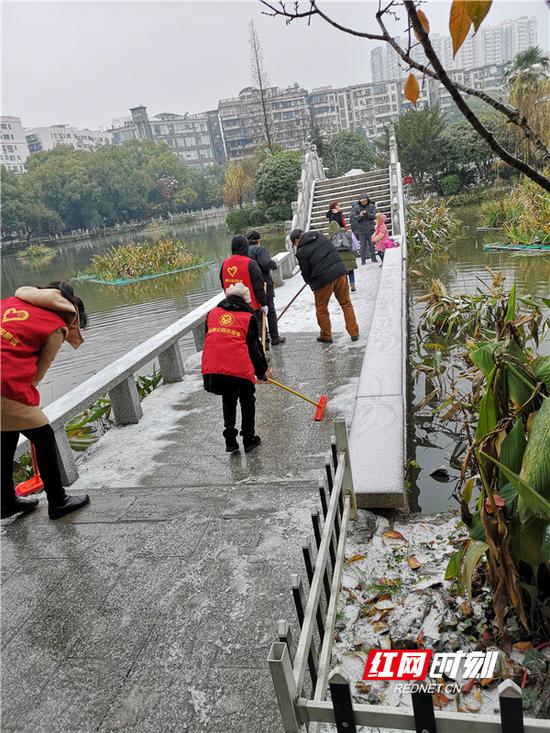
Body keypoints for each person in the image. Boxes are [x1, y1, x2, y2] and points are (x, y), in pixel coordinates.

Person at [1, 281, 90, 520]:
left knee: (5, 435)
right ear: (72, 314)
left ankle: (6, 501)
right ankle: (58, 501)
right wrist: (27, 395)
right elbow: (40, 369)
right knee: (44, 437)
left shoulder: (12, 302)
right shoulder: (56, 326)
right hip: (4, 384)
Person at [202, 282, 271, 453]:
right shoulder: (247, 318)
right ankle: (248, 439)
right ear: (245, 301)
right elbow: (254, 349)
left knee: (228, 398)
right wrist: (262, 372)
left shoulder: (212, 314)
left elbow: (212, 340)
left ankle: (230, 440)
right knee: (247, 400)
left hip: (214, 366)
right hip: (237, 366)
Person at [289, 229, 359, 344]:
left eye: (294, 244)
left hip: (322, 280)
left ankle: (326, 335)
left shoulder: (301, 251)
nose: (295, 246)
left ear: (296, 240)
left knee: (321, 309)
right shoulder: (320, 237)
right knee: (346, 303)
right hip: (340, 272)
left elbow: (305, 272)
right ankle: (354, 332)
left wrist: (311, 283)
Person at [220, 235, 268, 346]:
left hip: (233, 307)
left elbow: (223, 285)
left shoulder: (224, 264)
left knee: (242, 335)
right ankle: (264, 355)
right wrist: (264, 303)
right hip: (252, 307)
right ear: (245, 246)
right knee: (259, 332)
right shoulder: (250, 263)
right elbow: (258, 287)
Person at [247, 231, 286, 346]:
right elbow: (266, 263)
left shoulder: (243, 252)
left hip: (250, 287)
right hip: (264, 285)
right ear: (258, 240)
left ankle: (263, 340)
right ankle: (274, 338)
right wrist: (273, 264)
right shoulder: (259, 249)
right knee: (270, 311)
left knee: (257, 314)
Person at [327, 220, 358, 292]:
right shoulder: (345, 231)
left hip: (338, 256)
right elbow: (350, 241)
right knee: (350, 270)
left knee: (342, 273)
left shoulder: (331, 235)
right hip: (348, 253)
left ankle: (345, 286)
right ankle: (352, 284)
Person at [350, 193, 377, 265]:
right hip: (361, 229)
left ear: (367, 200)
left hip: (370, 228)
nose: (363, 202)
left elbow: (374, 216)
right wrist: (360, 215)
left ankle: (374, 258)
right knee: (363, 245)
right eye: (362, 201)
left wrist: (367, 214)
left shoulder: (372, 206)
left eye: (365, 201)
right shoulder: (356, 208)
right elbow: (354, 217)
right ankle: (363, 260)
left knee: (372, 244)